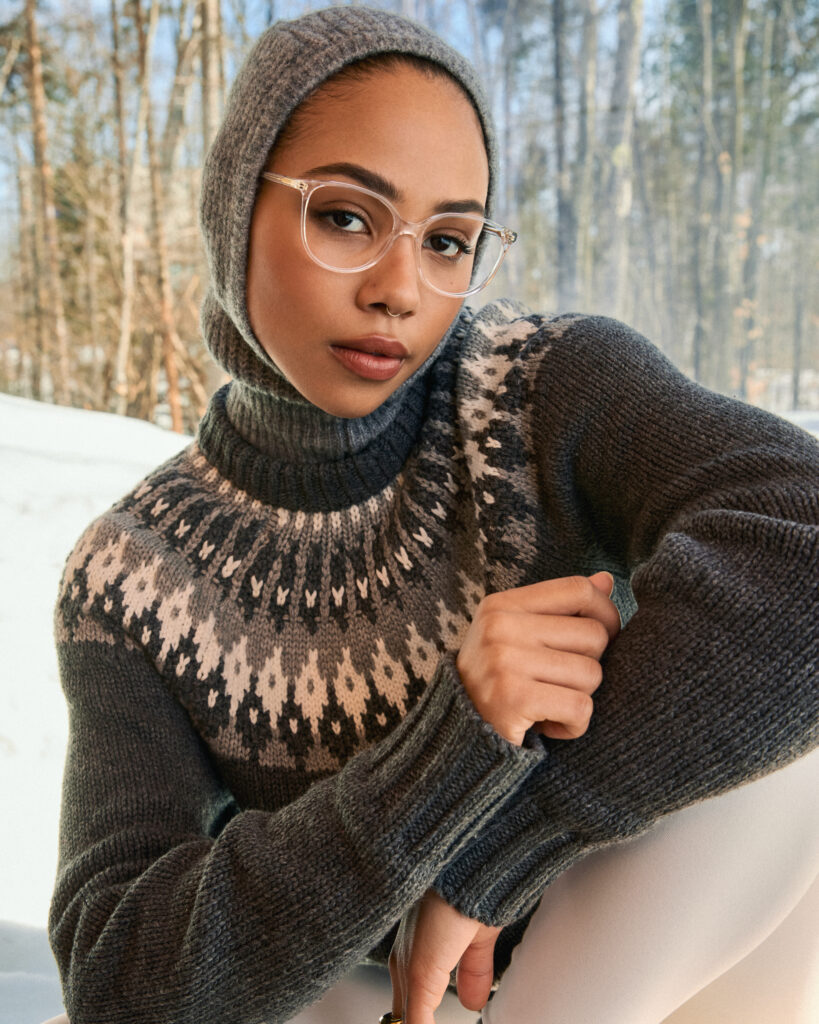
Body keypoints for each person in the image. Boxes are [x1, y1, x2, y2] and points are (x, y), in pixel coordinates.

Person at [49, 6, 818, 1024]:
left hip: (640, 957)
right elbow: (118, 982)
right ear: (234, 211)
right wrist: (455, 745)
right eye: (346, 218)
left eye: (450, 239)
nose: (402, 289)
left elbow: (802, 538)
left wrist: (503, 851)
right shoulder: (131, 577)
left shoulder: (539, 388)